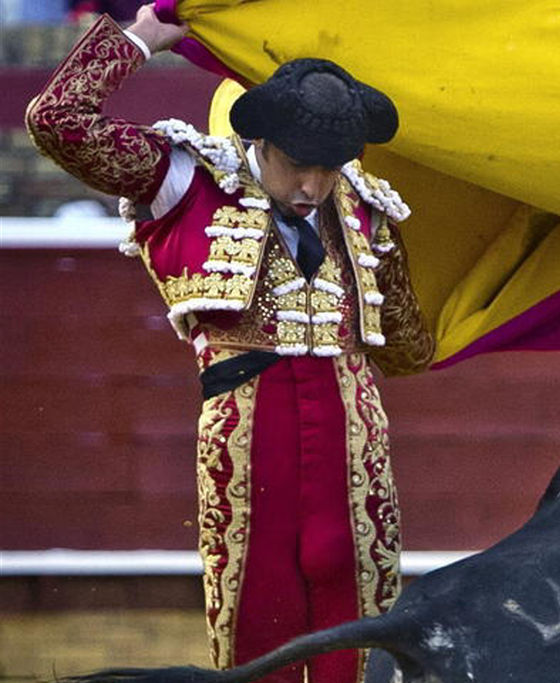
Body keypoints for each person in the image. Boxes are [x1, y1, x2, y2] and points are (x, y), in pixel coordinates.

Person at [25, 5, 435, 683]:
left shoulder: (367, 207)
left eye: (330, 167)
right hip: (248, 435)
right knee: (256, 611)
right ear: (264, 143)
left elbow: (407, 347)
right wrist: (142, 39)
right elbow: (56, 121)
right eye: (300, 166)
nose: (313, 186)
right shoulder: (188, 179)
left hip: (354, 440)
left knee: (358, 608)